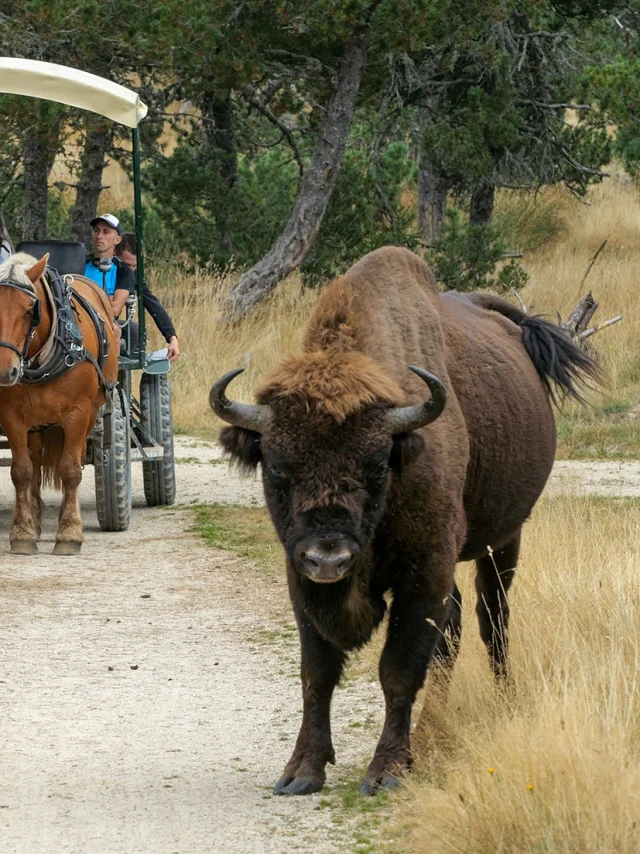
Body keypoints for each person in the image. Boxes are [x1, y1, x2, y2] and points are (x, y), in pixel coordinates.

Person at [115, 232, 181, 362]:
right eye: (127, 265)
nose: (130, 270)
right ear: (115, 254)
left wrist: (172, 338)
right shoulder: (101, 268)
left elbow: (153, 304)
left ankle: (120, 370)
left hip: (114, 325)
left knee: (135, 331)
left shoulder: (133, 276)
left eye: (134, 266)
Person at [83, 214, 135, 330]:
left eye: (106, 232)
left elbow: (115, 310)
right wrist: (106, 299)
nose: (99, 236)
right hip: (75, 321)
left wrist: (84, 298)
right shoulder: (80, 263)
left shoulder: (123, 271)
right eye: (96, 231)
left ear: (117, 240)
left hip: (103, 326)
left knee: (116, 331)